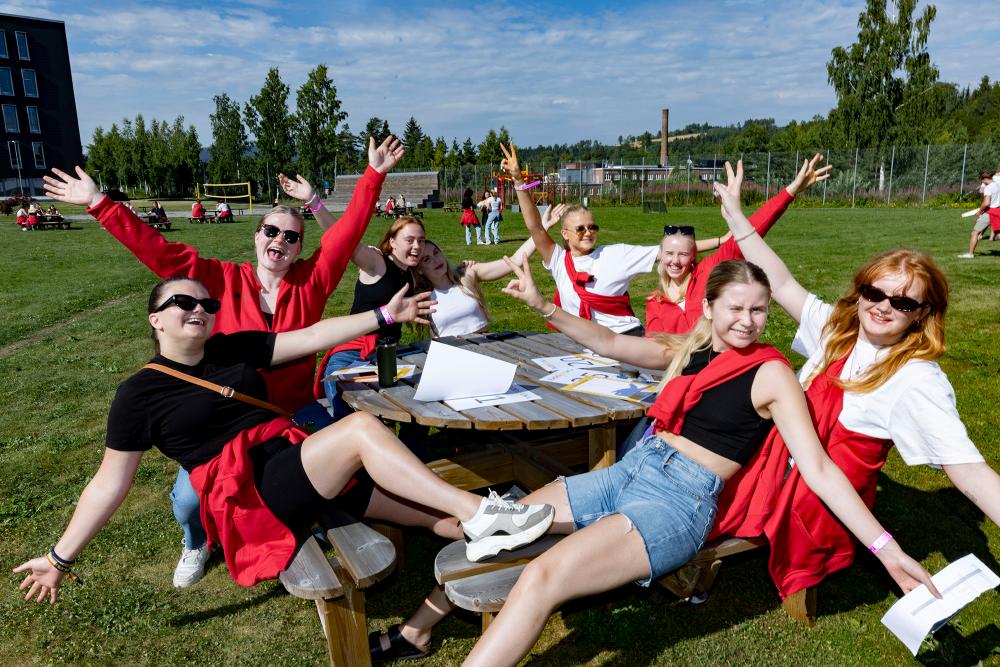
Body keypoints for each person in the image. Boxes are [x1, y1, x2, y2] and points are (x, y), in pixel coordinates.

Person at [456, 247, 937, 666]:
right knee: (489, 527)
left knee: (542, 574)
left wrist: (887, 551)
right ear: (709, 307)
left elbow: (819, 470)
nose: (747, 321)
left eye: (759, 311)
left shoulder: (772, 375)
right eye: (735, 309)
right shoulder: (692, 348)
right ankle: (420, 623)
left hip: (676, 503)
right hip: (631, 471)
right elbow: (608, 342)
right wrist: (543, 305)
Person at [12, 277, 555, 605]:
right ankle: (484, 511)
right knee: (362, 431)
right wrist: (59, 558)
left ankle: (531, 541)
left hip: (297, 468)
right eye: (183, 303)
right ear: (156, 319)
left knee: (428, 513)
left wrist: (384, 314)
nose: (198, 310)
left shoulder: (232, 348)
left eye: (207, 304)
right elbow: (110, 483)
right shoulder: (139, 394)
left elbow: (313, 336)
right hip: (252, 495)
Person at [42, 136, 402, 590]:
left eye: (292, 237)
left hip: (290, 410)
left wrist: (373, 176)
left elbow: (346, 233)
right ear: (256, 237)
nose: (280, 241)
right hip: (222, 422)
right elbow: (161, 253)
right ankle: (196, 542)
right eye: (271, 231)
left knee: (347, 459)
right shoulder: (218, 280)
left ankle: (322, 520)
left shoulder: (312, 280)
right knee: (190, 502)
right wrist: (99, 203)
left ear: (299, 247)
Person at [718, 159, 1000, 598]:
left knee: (694, 492)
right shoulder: (838, 327)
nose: (883, 307)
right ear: (861, 290)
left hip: (815, 505)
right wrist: (737, 218)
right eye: (874, 293)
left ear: (922, 314)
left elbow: (969, 471)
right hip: (779, 465)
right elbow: (781, 280)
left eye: (903, 303)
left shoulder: (915, 379)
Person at [647, 153, 831, 335]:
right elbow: (652, 348)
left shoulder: (707, 271)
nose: (675, 261)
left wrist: (790, 191)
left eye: (683, 254)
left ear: (694, 254)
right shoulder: (655, 302)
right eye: (669, 253)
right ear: (660, 255)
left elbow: (752, 231)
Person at [317, 216, 426, 419]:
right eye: (409, 240)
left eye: (421, 240)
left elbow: (444, 273)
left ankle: (410, 449)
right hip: (352, 355)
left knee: (423, 400)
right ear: (392, 242)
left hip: (388, 358)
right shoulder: (377, 263)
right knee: (350, 421)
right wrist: (312, 201)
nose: (417, 246)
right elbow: (342, 237)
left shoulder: (410, 274)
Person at [416, 208, 558, 337]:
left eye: (436, 253)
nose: (436, 260)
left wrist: (542, 229)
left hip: (483, 347)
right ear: (419, 270)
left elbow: (514, 260)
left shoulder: (467, 274)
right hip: (447, 355)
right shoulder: (420, 296)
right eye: (427, 259)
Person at [958, 169, 1000, 258]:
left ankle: (970, 254)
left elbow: (986, 203)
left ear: (984, 178)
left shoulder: (988, 187)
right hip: (998, 211)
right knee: (998, 234)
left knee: (975, 233)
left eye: (981, 179)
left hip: (990, 212)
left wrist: (980, 211)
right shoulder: (997, 185)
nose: (981, 181)